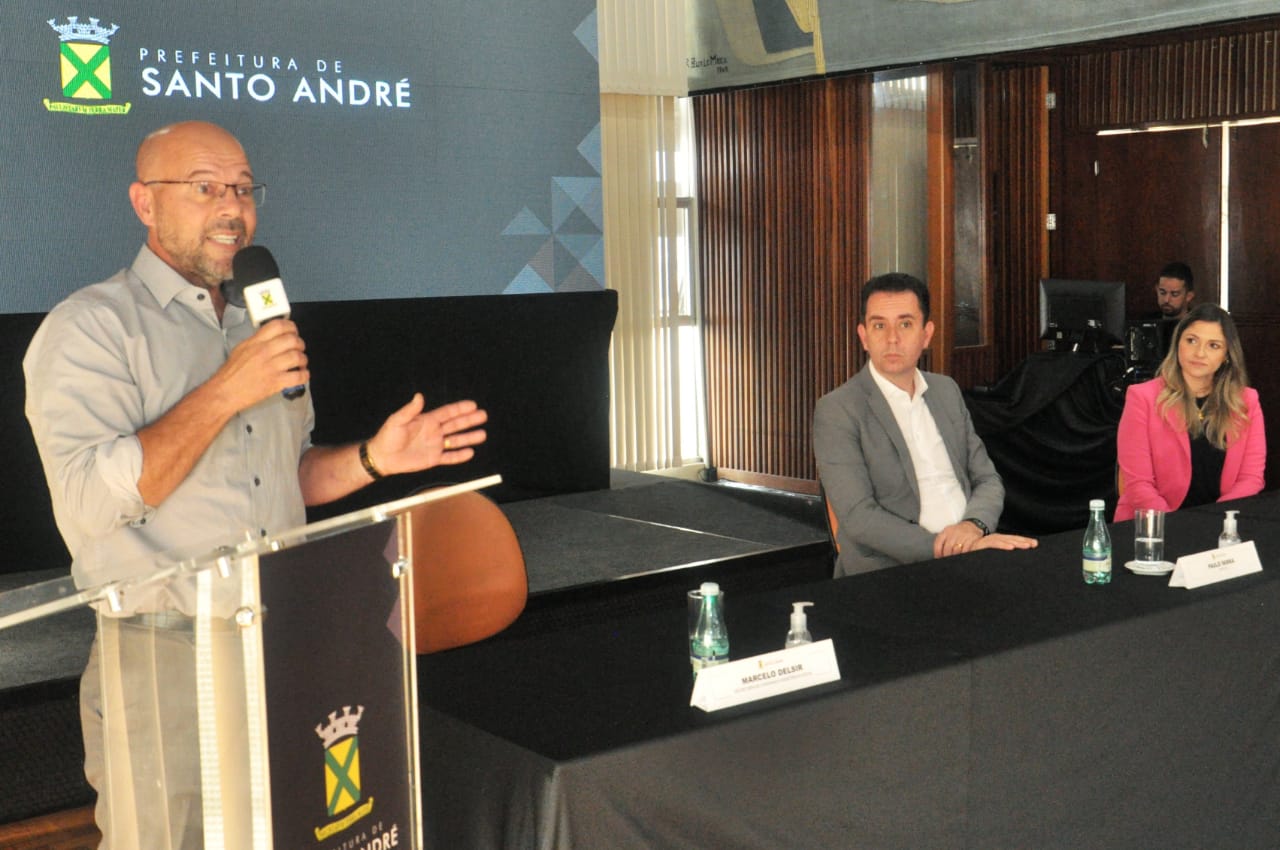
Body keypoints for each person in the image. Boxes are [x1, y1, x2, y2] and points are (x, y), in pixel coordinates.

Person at [23, 121, 489, 848]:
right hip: (166, 654)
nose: (232, 208)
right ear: (145, 203)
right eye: (205, 188)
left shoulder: (258, 325)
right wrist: (225, 391)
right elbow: (88, 504)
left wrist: (374, 459)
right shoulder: (90, 328)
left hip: (285, 640)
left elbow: (285, 475)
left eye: (243, 189)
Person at [813, 272, 1037, 577]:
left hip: (971, 555)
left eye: (905, 324)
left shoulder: (946, 390)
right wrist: (951, 548)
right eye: (879, 325)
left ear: (926, 334)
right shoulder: (838, 409)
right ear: (864, 336)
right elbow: (859, 517)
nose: (892, 338)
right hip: (890, 572)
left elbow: (987, 479)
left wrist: (974, 526)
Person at [1115, 302, 1265, 521]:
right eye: (1191, 340)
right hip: (1153, 525)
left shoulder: (1247, 402)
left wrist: (1217, 522)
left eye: (1213, 345)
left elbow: (1251, 479)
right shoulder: (1142, 398)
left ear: (1226, 355)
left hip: (1221, 524)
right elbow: (1138, 485)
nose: (1199, 353)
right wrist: (1178, 527)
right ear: (1178, 343)